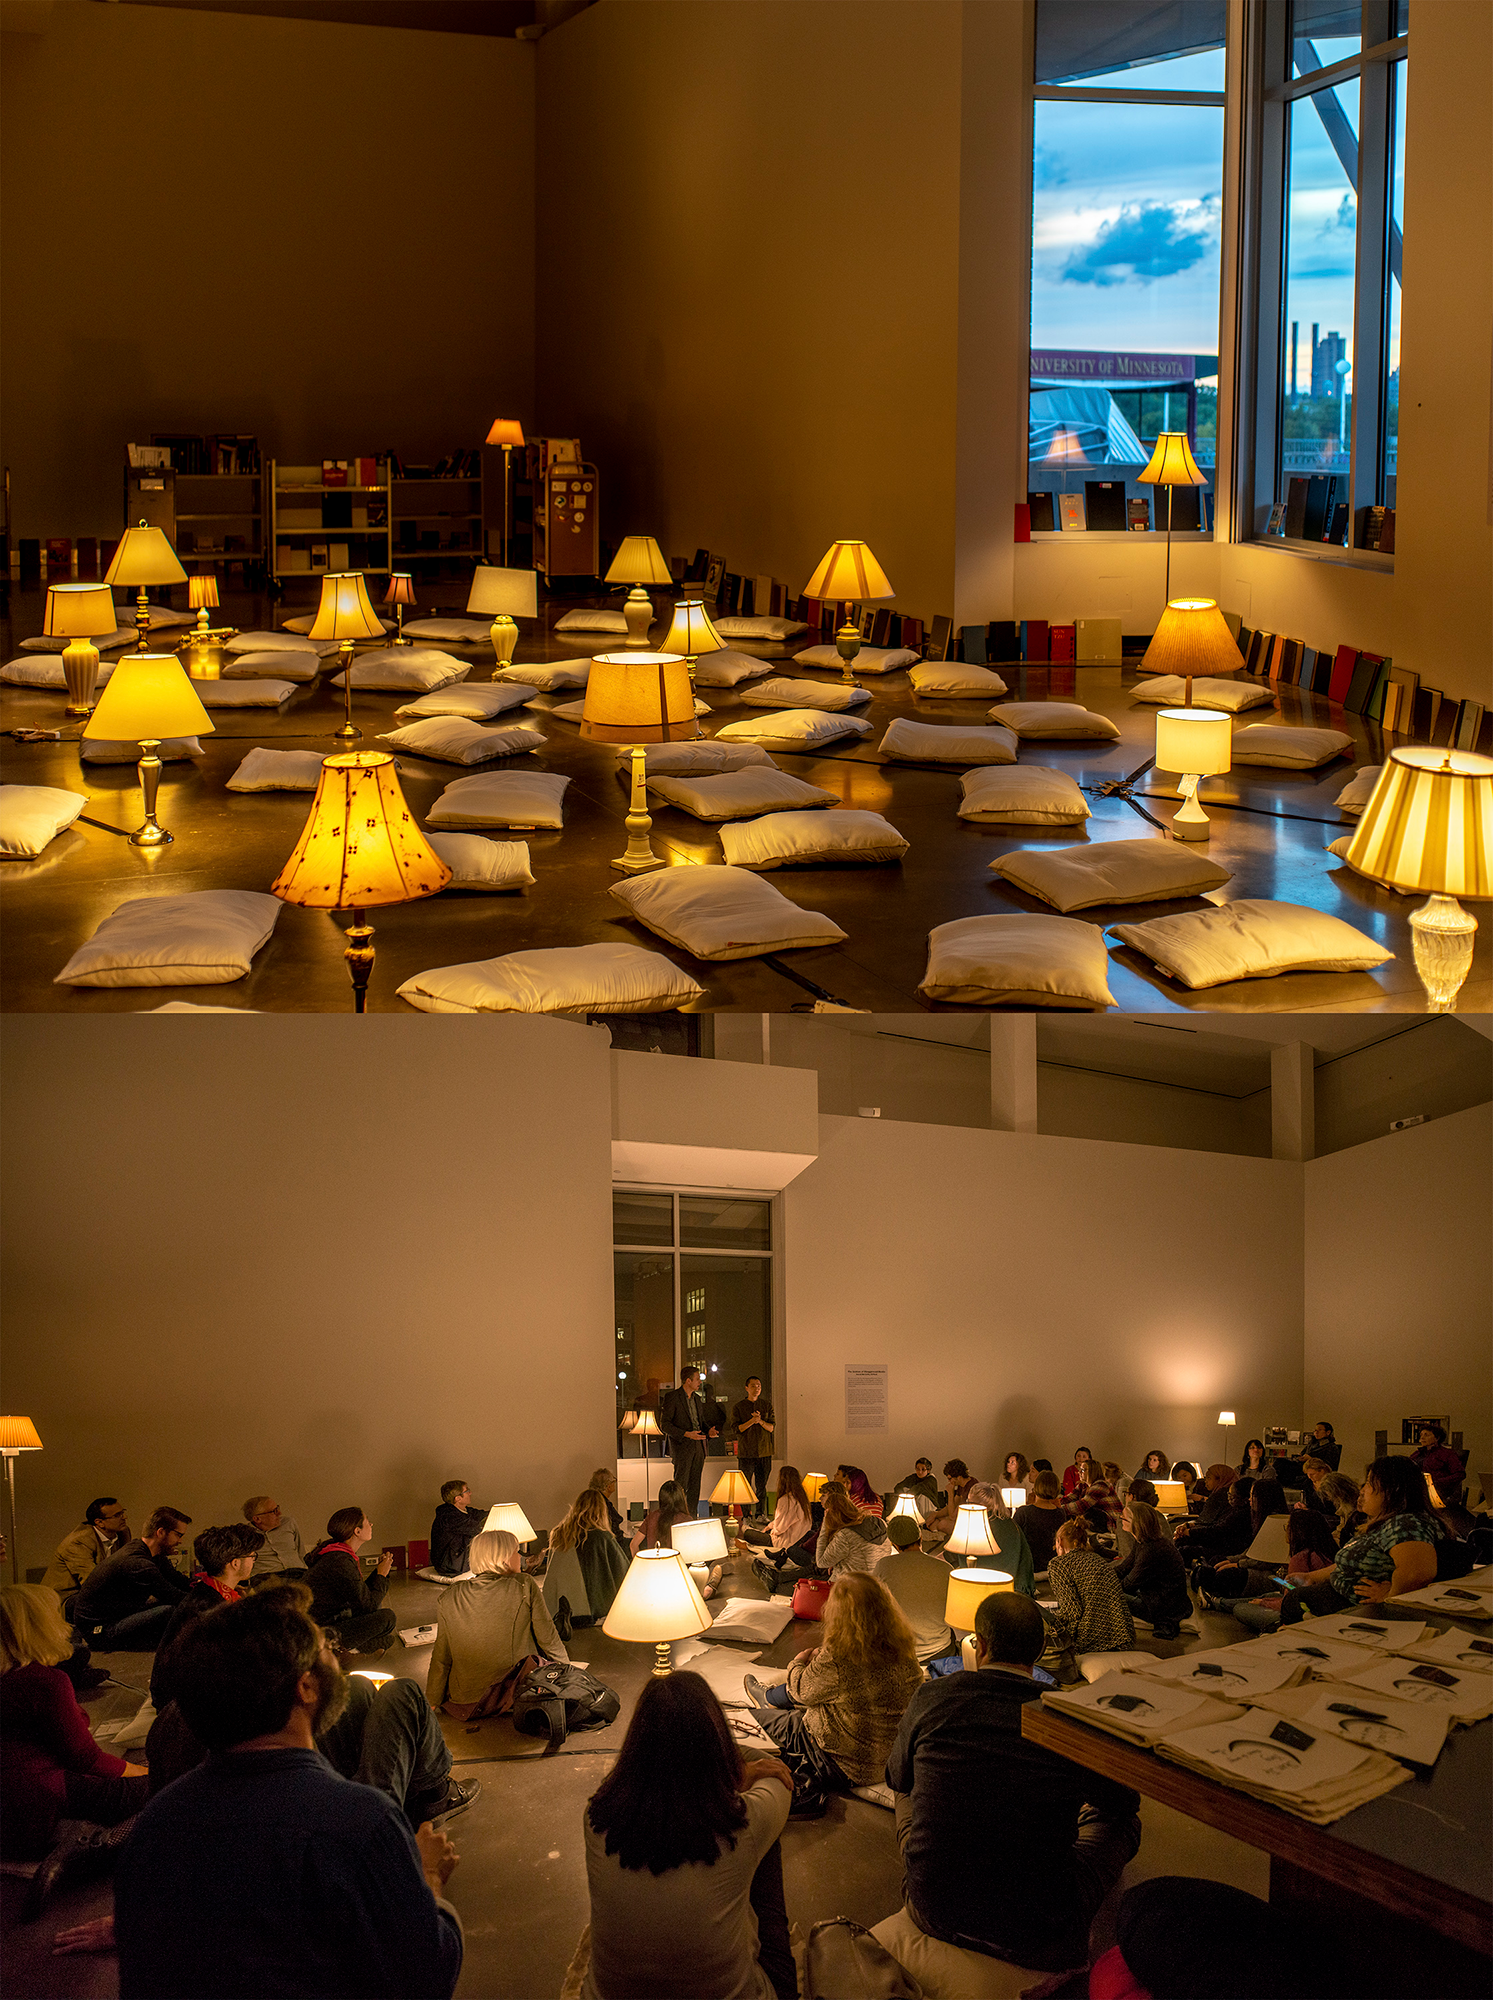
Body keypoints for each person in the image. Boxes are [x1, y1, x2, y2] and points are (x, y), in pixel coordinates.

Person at [114, 1586, 464, 2000]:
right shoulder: (362, 1823)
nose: (336, 1658)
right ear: (307, 1687)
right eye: (327, 1650)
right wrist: (426, 1881)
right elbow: (426, 1978)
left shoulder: (154, 1827)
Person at [885, 1591, 1141, 1975]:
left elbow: (896, 1776)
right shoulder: (1067, 1715)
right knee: (1125, 1824)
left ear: (980, 1645)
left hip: (931, 1905)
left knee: (905, 1785)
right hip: (1038, 1927)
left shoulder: (932, 1695)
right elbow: (1124, 1801)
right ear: (1037, 1654)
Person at [582, 1671, 796, 2000]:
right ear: (715, 1743)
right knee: (768, 1844)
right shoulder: (743, 1824)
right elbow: (777, 1773)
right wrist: (737, 1769)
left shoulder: (596, 1817)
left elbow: (625, 1777)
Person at [1, 1583, 149, 1922]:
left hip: (13, 1799)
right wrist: (142, 1771)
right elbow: (86, 1759)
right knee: (167, 1792)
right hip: (31, 1801)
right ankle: (86, 1854)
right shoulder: (43, 1682)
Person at [744, 1572, 923, 1795]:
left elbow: (801, 1691)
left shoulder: (840, 1657)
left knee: (749, 1721)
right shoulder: (904, 1647)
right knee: (827, 1694)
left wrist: (797, 1663)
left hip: (845, 1764)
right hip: (891, 1760)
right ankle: (769, 1698)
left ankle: (767, 1700)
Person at [1280, 1456, 1453, 1622]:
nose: (1363, 1489)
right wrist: (1311, 1577)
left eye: (1370, 1482)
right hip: (1335, 1600)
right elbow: (1352, 1562)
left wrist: (1389, 1596)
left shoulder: (1406, 1523)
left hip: (1353, 1612)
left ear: (1391, 1489)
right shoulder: (1386, 1523)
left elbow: (1417, 1573)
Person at [426, 1529, 567, 1718]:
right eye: (517, 1552)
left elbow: (442, 1657)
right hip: (511, 1696)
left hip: (466, 1703)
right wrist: (569, 1675)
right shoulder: (524, 1585)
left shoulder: (449, 1596)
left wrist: (432, 1701)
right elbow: (548, 1639)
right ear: (503, 1557)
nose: (521, 1557)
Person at [151, 1523, 265, 1707]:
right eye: (252, 1556)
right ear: (235, 1563)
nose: (254, 1561)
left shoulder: (211, 1591)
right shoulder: (209, 1608)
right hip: (185, 1703)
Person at [72, 1506, 192, 1650]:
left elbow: (180, 1581)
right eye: (179, 1535)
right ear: (160, 1532)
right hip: (100, 1630)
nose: (181, 1541)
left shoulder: (152, 1553)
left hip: (121, 1614)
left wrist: (207, 1585)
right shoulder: (137, 1563)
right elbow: (174, 1596)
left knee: (172, 1607)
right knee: (171, 1610)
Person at [1042, 1519, 1135, 1679]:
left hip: (1091, 1638)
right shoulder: (1098, 1559)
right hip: (1124, 1635)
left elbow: (1072, 1612)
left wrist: (1048, 1619)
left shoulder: (1058, 1564)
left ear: (1060, 1541)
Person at [1232, 1509, 1338, 1635]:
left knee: (1241, 1608)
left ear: (1298, 1531)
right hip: (1320, 1607)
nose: (1286, 1530)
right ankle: (1218, 1601)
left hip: (1302, 1613)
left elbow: (1290, 1602)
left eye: (1288, 1527)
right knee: (1268, 1595)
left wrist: (1263, 1603)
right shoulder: (1328, 1553)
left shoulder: (1300, 1558)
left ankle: (1219, 1602)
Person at [307, 1508, 397, 1655]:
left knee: (386, 1638)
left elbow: (361, 1595)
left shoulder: (338, 1554)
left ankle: (351, 1649)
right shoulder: (340, 1561)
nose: (372, 1525)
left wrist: (379, 1572)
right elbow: (369, 1606)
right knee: (388, 1619)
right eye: (368, 1521)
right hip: (322, 1630)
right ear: (357, 1531)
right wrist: (381, 1574)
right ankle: (340, 1652)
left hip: (334, 1618)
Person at [1191, 1481, 1290, 1602]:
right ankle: (1207, 1581)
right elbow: (1252, 1551)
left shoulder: (1277, 1523)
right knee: (1217, 1561)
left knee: (1226, 1575)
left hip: (1272, 1574)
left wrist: (1237, 1564)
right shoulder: (1260, 1519)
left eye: (1253, 1496)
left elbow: (1266, 1561)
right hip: (1255, 1565)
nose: (1249, 1499)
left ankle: (1214, 1594)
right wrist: (1231, 1560)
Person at [875, 1515, 956, 1661]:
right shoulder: (945, 1568)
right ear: (921, 1537)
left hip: (898, 1651)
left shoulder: (883, 1566)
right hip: (939, 1650)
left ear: (894, 1544)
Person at [1110, 1501, 1189, 1640]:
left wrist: (1102, 1586)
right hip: (1156, 1596)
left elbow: (1128, 1585)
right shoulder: (1143, 1541)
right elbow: (1124, 1568)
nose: (1120, 1520)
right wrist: (1102, 1575)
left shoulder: (1151, 1550)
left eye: (1124, 1518)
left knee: (1109, 1594)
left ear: (1137, 1523)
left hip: (1162, 1606)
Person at [549, 1489, 631, 1618]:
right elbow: (624, 1573)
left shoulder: (560, 1535)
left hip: (561, 1612)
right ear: (601, 1511)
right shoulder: (601, 1537)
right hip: (593, 1614)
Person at [43, 1497, 131, 1602]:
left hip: (97, 1592)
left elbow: (127, 1568)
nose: (125, 1517)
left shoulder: (122, 1533)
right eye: (117, 1515)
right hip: (66, 1598)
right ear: (99, 1523)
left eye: (123, 1513)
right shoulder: (79, 1542)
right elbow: (92, 1582)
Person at [748, 1466, 817, 1594]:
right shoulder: (802, 1499)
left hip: (785, 1541)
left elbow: (779, 1528)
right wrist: (770, 1526)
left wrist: (770, 1529)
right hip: (798, 1539)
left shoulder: (786, 1500)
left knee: (748, 1533)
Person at [659, 1367, 718, 1514]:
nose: (700, 1382)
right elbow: (665, 1424)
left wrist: (709, 1431)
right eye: (697, 1379)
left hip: (698, 1446)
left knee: (695, 1484)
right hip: (682, 1447)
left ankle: (691, 1517)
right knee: (681, 1484)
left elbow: (700, 1422)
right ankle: (677, 1516)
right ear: (688, 1380)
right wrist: (686, 1434)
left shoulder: (697, 1399)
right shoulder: (672, 1397)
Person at [963, 1483, 1036, 1597]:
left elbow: (963, 1552)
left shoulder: (981, 1522)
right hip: (1019, 1585)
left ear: (980, 1504)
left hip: (999, 1588)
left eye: (969, 1502)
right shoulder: (1009, 1523)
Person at [1178, 1478, 1257, 1568]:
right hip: (1220, 1543)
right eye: (1229, 1494)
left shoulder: (1243, 1514)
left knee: (1184, 1549)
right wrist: (1191, 1526)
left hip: (1226, 1548)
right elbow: (1216, 1524)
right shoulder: (1235, 1508)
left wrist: (1190, 1532)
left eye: (1232, 1496)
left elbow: (1219, 1530)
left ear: (1244, 1498)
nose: (1229, 1499)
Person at [815, 1481, 887, 1578]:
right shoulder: (881, 1524)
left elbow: (821, 1562)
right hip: (873, 1582)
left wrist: (825, 1524)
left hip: (848, 1585)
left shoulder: (846, 1535)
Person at [732, 1377, 775, 1516]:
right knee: (746, 1487)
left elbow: (771, 1428)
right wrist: (752, 1421)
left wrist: (760, 1421)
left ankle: (761, 1514)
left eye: (759, 1386)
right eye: (753, 1386)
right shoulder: (739, 1407)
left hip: (764, 1452)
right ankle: (746, 1515)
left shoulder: (766, 1405)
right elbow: (737, 1429)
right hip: (746, 1453)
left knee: (762, 1486)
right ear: (746, 1388)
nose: (756, 1388)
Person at [430, 1481, 487, 1578]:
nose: (470, 1493)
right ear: (458, 1498)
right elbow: (476, 1528)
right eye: (467, 1491)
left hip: (456, 1560)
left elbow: (481, 1515)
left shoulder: (464, 1511)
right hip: (450, 1564)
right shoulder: (449, 1516)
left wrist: (499, 1512)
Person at [242, 1495, 307, 1580]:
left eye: (277, 1508)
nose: (279, 1513)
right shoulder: (246, 1535)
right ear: (257, 1519)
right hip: (267, 1577)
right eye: (274, 1511)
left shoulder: (288, 1523)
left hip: (298, 1573)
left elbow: (300, 1550)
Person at [1015, 1470, 1066, 1574]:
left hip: (1028, 1568)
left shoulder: (1024, 1512)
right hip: (1052, 1569)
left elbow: (1012, 1541)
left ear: (1036, 1487)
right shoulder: (1061, 1514)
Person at [1410, 1423, 1465, 1502]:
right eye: (1421, 1435)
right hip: (1417, 1487)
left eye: (1427, 1435)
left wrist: (1437, 1482)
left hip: (1436, 1490)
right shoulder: (1417, 1454)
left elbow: (1460, 1474)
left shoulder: (1447, 1454)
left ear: (1437, 1438)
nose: (1422, 1437)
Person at [589, 1467, 631, 1547]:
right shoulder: (603, 1505)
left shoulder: (593, 1503)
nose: (615, 1482)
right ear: (608, 1486)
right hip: (613, 1545)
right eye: (613, 1481)